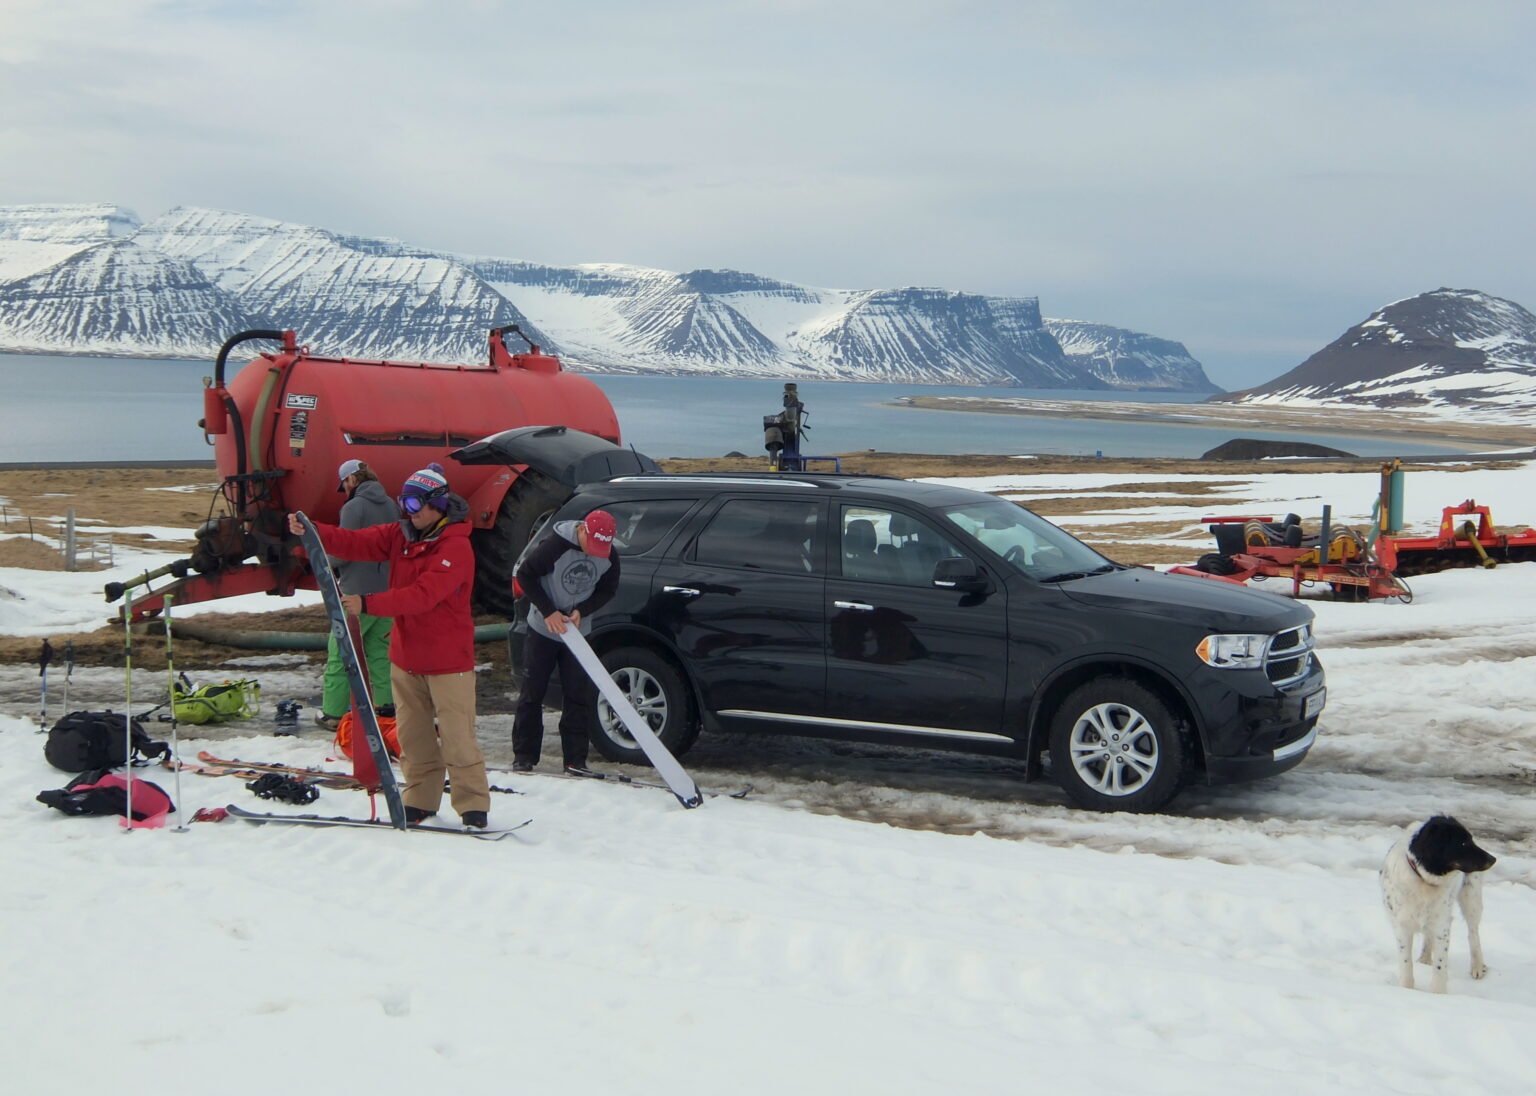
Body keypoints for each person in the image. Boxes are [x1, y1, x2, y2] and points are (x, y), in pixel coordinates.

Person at [289, 464, 491, 828]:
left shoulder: (456, 547)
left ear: (438, 505)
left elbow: (423, 596)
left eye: (415, 504)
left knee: (458, 740)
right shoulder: (402, 535)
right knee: (414, 739)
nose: (408, 512)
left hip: (448, 662)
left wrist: (369, 603)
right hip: (406, 657)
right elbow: (357, 542)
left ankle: (472, 806)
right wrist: (314, 532)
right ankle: (420, 799)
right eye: (404, 503)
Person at [512, 508, 620, 773]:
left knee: (577, 694)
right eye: (592, 544)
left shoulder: (610, 556)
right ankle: (524, 756)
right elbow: (525, 575)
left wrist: (584, 609)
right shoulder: (555, 545)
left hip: (577, 632)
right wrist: (548, 610)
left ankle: (575, 759)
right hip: (543, 628)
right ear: (582, 530)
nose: (595, 551)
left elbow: (608, 588)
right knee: (532, 691)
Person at [316, 459, 395, 731]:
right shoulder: (391, 505)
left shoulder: (353, 507)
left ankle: (333, 714)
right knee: (380, 652)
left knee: (340, 651)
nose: (345, 490)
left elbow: (343, 549)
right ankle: (386, 708)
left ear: (351, 479)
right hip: (386, 592)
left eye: (344, 484)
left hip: (356, 594)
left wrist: (321, 561)